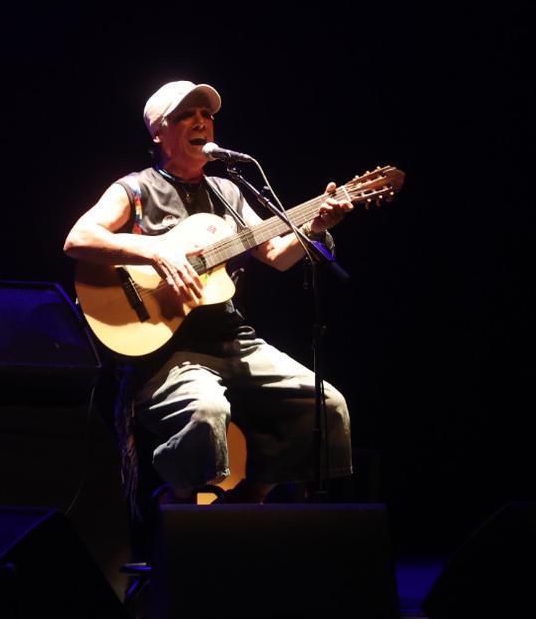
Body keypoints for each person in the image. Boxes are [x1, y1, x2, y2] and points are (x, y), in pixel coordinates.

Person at [64, 80, 353, 506]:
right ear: (159, 132)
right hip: (166, 352)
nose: (201, 122)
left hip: (232, 340)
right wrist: (157, 251)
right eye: (186, 115)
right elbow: (78, 238)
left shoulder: (228, 191)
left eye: (207, 115)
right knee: (206, 412)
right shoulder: (136, 188)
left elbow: (275, 253)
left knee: (325, 403)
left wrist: (315, 227)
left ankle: (248, 505)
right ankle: (177, 504)